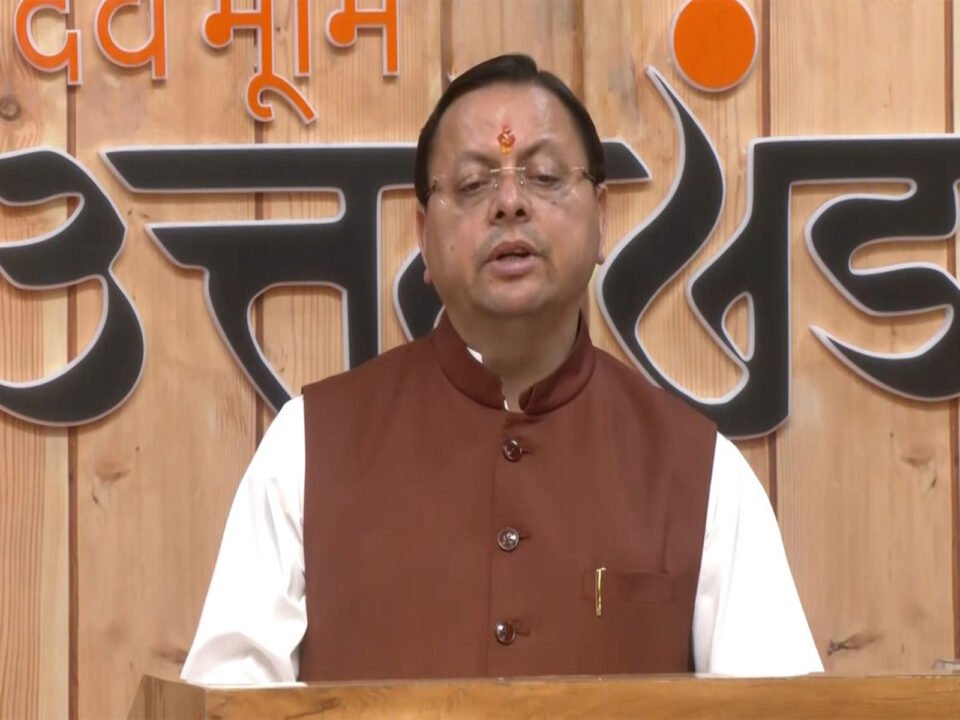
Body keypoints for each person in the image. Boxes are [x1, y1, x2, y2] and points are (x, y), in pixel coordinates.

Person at [181, 54, 822, 683]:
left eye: (544, 177)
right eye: (472, 184)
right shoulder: (307, 449)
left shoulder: (700, 473)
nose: (510, 203)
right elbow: (225, 703)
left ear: (602, 217)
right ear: (423, 234)